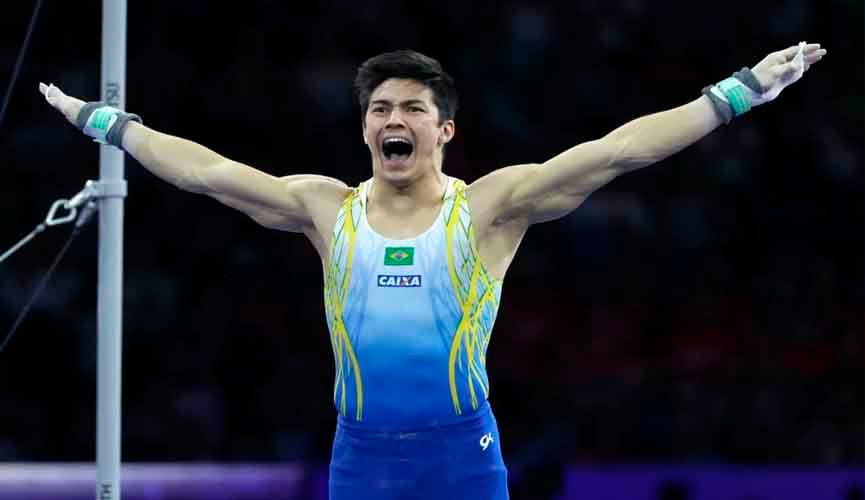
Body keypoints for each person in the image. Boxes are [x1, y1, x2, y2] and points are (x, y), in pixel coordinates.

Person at [39, 43, 826, 499]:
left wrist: (739, 92)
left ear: (443, 129)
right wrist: (103, 121)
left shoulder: (489, 207)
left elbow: (618, 151)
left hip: (461, 454)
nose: (393, 120)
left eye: (411, 108)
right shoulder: (325, 208)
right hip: (359, 455)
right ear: (362, 128)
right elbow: (205, 171)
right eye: (380, 108)